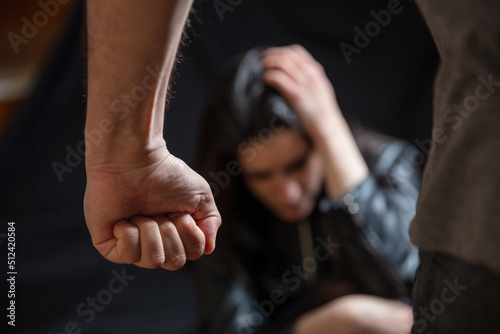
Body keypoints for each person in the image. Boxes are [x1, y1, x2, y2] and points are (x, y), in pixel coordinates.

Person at [194, 45, 420, 334]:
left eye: (297, 165)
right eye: (261, 176)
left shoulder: (386, 162)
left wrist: (329, 127)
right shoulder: (224, 206)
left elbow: (405, 281)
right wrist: (334, 322)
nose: (289, 194)